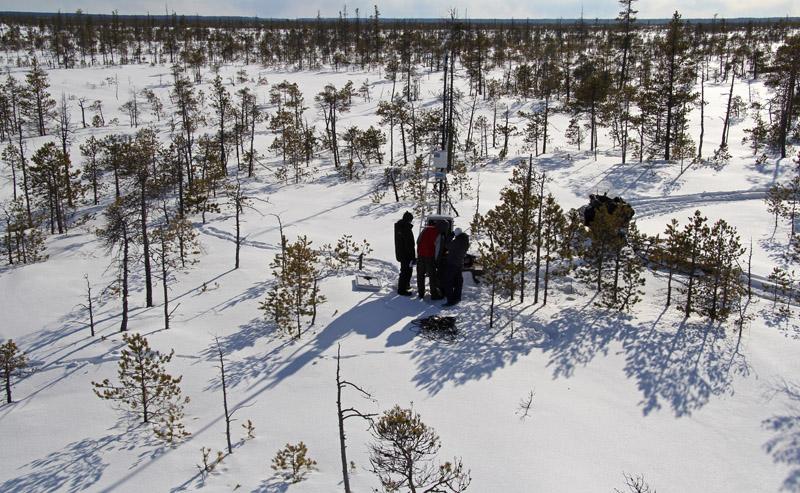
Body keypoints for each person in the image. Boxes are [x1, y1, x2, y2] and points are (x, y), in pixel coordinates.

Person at [441, 227, 469, 307]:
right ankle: (457, 297)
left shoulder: (457, 241)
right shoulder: (465, 240)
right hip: (459, 263)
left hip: (452, 263)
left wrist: (450, 236)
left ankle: (450, 300)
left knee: (448, 281)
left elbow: (447, 245)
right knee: (458, 281)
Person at [416, 220, 443, 300]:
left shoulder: (424, 230)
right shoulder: (437, 233)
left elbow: (418, 241)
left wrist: (419, 251)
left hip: (421, 256)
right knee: (432, 276)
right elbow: (437, 248)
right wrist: (436, 259)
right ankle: (434, 294)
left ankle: (421, 293)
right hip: (430, 257)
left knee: (420, 275)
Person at [393, 211, 416, 296]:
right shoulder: (406, 228)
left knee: (405, 271)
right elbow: (409, 245)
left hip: (401, 253)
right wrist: (413, 257)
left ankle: (405, 286)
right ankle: (402, 289)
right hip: (406, 255)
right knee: (406, 271)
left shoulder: (399, 227)